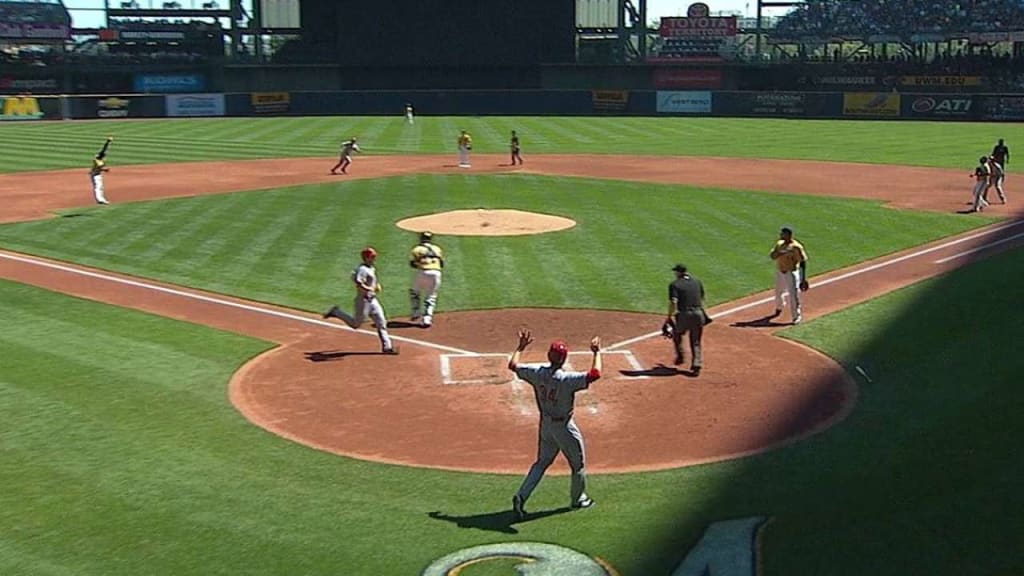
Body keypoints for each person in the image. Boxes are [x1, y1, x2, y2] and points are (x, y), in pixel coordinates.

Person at [508, 329, 602, 521]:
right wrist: (596, 352)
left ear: (549, 356)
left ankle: (522, 496)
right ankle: (578, 499)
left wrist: (520, 347)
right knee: (578, 465)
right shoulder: (566, 379)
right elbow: (595, 374)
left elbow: (513, 365)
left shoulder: (537, 372)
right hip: (564, 427)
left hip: (546, 426)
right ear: (564, 359)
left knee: (541, 462)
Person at [323, 247, 398, 355]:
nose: (374, 258)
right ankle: (336, 312)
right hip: (363, 301)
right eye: (372, 257)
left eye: (374, 256)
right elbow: (359, 283)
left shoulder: (371, 268)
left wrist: (376, 285)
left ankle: (387, 347)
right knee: (355, 325)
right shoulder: (362, 269)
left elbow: (370, 281)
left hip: (373, 301)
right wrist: (369, 288)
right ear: (366, 258)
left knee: (381, 322)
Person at [666, 264, 708, 375]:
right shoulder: (697, 282)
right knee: (696, 341)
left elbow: (674, 302)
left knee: (677, 333)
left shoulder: (675, 284)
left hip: (684, 315)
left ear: (679, 272)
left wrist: (669, 317)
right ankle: (697, 364)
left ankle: (680, 355)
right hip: (699, 314)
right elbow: (702, 298)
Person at [769, 226, 809, 324]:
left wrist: (803, 278)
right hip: (780, 272)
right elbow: (772, 256)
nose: (781, 235)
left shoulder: (796, 247)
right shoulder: (779, 244)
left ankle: (796, 316)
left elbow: (802, 262)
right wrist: (779, 253)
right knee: (778, 291)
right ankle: (779, 307)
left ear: (789, 235)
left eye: (783, 234)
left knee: (793, 295)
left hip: (791, 273)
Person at [408, 231, 444, 328]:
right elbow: (442, 263)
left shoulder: (417, 249)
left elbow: (412, 263)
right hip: (436, 273)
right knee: (431, 296)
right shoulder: (437, 249)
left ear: (421, 238)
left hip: (423, 272)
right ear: (430, 239)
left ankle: (416, 312)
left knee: (414, 292)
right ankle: (427, 319)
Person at [90, 136, 113, 205]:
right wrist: (105, 169)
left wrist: (108, 142)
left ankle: (101, 199)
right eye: (104, 156)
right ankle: (100, 199)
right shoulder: (97, 161)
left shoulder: (99, 158)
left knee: (100, 187)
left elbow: (104, 149)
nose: (105, 156)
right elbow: (100, 168)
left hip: (97, 174)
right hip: (95, 175)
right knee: (98, 186)